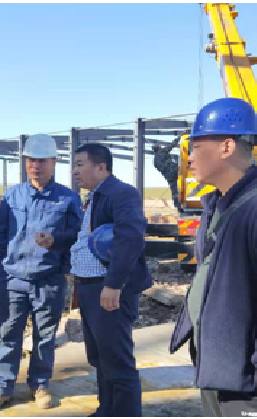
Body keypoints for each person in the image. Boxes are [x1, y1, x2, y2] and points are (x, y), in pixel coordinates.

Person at [169, 97, 257, 417]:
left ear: (227, 146)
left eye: (195, 146)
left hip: (250, 375)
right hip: (218, 364)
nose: (189, 157)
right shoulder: (216, 205)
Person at [0, 134, 83, 413]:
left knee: (45, 336)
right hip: (13, 278)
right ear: (25, 162)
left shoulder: (68, 199)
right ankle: (3, 388)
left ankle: (39, 385)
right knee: (8, 334)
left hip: (48, 278)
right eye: (31, 160)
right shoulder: (12, 196)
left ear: (54, 163)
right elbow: (2, 234)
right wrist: (1, 268)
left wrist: (62, 266)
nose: (36, 166)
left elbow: (76, 237)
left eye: (42, 161)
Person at [70, 143, 153, 417]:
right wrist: (55, 241)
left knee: (117, 362)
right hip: (89, 288)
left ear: (101, 167)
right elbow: (87, 239)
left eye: (80, 164)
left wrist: (113, 285)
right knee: (101, 359)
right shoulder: (95, 197)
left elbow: (130, 238)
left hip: (108, 289)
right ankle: (106, 410)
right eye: (74, 165)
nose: (74, 171)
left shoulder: (121, 193)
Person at [153, 135, 184, 213]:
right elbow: (172, 145)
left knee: (174, 191)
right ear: (159, 148)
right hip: (175, 170)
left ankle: (178, 207)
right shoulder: (163, 152)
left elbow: (159, 168)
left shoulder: (155, 161)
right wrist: (179, 137)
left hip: (168, 176)